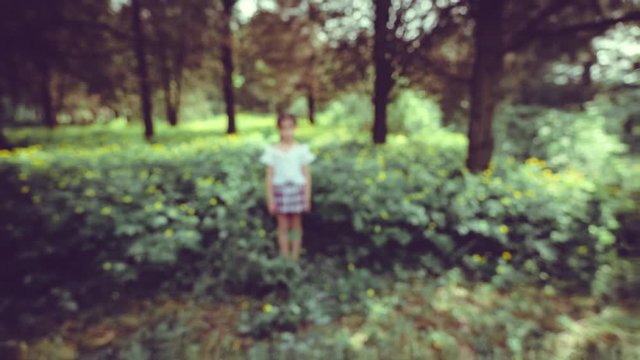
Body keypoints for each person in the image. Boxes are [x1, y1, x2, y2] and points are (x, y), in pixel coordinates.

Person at [259, 113, 315, 260]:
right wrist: (270, 199)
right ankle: (285, 259)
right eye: (284, 128)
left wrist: (307, 198)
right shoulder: (272, 150)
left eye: (290, 128)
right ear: (279, 130)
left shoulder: (301, 149)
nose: (287, 132)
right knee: (283, 226)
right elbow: (269, 176)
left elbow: (306, 175)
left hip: (297, 190)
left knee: (296, 225)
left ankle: (295, 258)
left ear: (295, 128)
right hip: (280, 191)